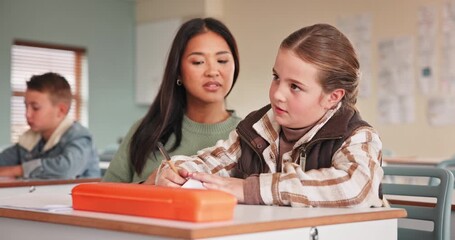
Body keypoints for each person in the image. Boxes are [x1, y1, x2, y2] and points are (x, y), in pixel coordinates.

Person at [155, 23, 384, 208]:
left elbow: (357, 188)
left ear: (332, 97)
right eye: (276, 77)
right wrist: (175, 171)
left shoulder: (357, 136)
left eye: (295, 86)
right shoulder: (258, 127)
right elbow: (214, 162)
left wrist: (250, 189)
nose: (277, 94)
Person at [102, 17, 241, 183]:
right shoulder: (145, 131)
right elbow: (103, 197)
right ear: (178, 71)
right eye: (198, 62)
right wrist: (149, 186)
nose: (212, 71)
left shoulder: (250, 138)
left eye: (222, 61)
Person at [0, 72, 100, 179]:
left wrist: (18, 170)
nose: (27, 114)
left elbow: (65, 169)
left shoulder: (80, 137)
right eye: (26, 106)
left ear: (61, 110)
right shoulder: (31, 138)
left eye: (35, 108)